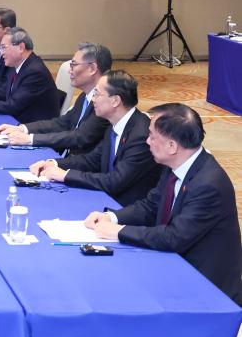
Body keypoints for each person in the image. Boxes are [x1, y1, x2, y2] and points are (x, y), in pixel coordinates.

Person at [84, 103, 242, 305]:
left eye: (152, 136)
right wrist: (112, 217)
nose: (147, 141)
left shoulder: (208, 185)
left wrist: (118, 231)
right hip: (175, 264)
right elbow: (151, 206)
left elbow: (174, 237)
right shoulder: (175, 164)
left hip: (205, 287)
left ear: (172, 146)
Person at [29, 71, 160, 206]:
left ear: (115, 101)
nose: (93, 99)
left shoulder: (141, 135)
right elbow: (92, 160)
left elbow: (114, 181)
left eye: (97, 94)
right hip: (107, 197)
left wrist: (65, 175)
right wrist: (54, 164)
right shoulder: (115, 124)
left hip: (124, 207)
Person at [0, 42, 112, 156]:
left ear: (92, 69)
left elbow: (79, 137)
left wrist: (30, 139)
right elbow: (62, 123)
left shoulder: (104, 103)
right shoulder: (84, 97)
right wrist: (23, 129)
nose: (69, 71)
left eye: (73, 65)